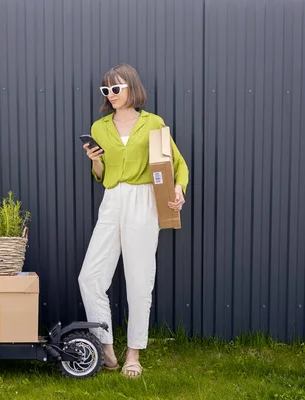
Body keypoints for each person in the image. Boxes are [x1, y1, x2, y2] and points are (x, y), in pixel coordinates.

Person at [78, 64, 189, 378]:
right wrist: (96, 161)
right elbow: (101, 177)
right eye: (106, 90)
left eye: (116, 88)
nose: (111, 95)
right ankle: (106, 349)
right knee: (90, 277)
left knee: (140, 281)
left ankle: (133, 354)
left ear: (132, 88)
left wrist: (178, 189)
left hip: (144, 201)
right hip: (113, 201)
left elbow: (177, 165)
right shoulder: (99, 127)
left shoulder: (153, 123)